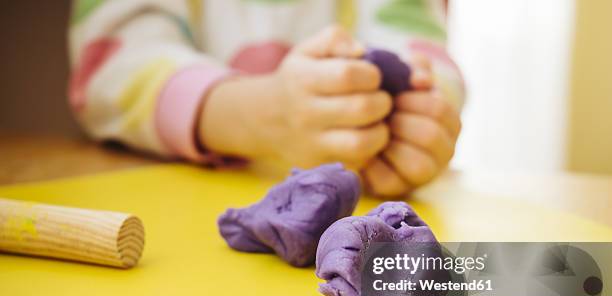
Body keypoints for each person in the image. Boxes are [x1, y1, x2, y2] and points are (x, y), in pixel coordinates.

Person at [68, 0, 464, 197]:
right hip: (157, 195)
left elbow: (422, 47)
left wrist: (421, 118)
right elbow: (114, 66)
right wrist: (254, 115)